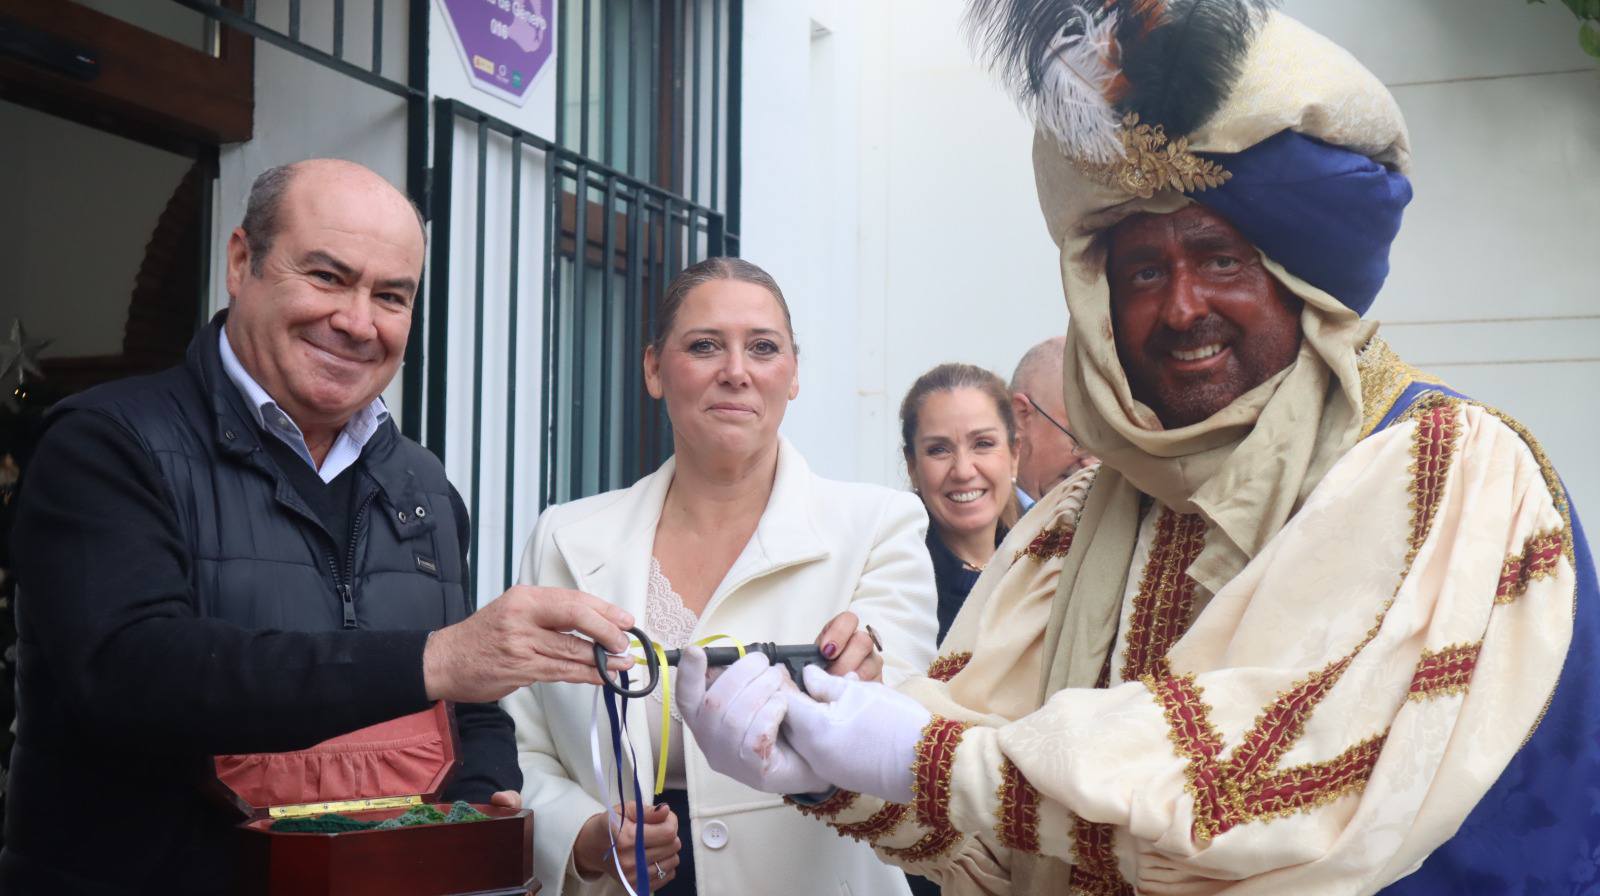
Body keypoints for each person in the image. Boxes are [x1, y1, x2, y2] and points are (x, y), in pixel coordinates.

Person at [677, 5, 1599, 894]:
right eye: (1144, 271)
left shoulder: (1446, 469)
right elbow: (984, 805)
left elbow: (1264, 805)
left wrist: (918, 757)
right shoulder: (1088, 518)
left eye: (1221, 258)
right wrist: (810, 753)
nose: (1183, 305)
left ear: (1302, 281)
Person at [1, 159, 638, 895]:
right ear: (242, 263)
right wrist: (432, 659)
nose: (358, 321)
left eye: (391, 295)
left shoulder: (424, 487)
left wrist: (482, 794)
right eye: (329, 277)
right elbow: (131, 674)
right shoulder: (105, 444)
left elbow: (469, 709)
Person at [503, 257, 936, 895]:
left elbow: (904, 748)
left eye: (763, 348)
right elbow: (520, 745)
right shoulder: (566, 539)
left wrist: (862, 696)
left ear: (792, 376)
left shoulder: (878, 527)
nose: (736, 372)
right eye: (705, 346)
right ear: (654, 368)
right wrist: (581, 835)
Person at [900, 363, 1020, 643]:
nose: (963, 471)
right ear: (912, 466)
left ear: (1015, 454)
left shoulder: (1049, 573)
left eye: (983, 443)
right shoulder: (898, 585)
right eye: (939, 450)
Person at [1008, 336, 1096, 506]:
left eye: (1109, 445)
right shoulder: (975, 525)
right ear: (1021, 415)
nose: (1093, 464)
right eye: (1082, 441)